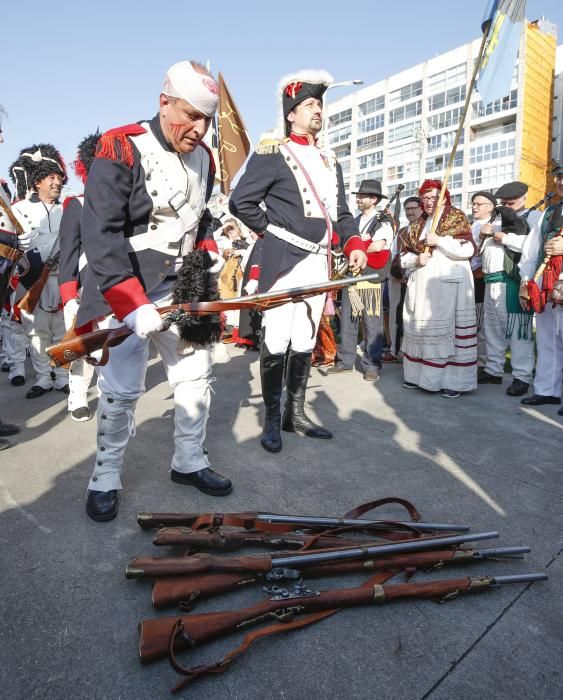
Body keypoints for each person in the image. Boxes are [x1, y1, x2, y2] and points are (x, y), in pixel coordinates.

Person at [76, 60, 231, 522]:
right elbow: (100, 233)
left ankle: (189, 462)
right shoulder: (121, 147)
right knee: (121, 389)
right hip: (127, 288)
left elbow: (199, 219)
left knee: (195, 377)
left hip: (184, 286)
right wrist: (131, 303)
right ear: (164, 103)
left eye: (207, 119)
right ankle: (104, 475)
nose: (199, 129)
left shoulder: (204, 157)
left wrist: (208, 247)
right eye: (191, 115)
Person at [229, 69, 367, 452]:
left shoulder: (329, 159)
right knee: (277, 338)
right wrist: (271, 232)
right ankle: (271, 420)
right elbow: (240, 202)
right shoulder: (274, 152)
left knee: (305, 338)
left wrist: (353, 242)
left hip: (318, 261)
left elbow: (340, 212)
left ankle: (296, 414)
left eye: (319, 104)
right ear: (291, 113)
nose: (317, 110)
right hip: (282, 261)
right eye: (309, 104)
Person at [400, 180, 476, 398]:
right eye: (425, 197)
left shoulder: (456, 216)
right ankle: (417, 377)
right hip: (422, 286)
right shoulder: (417, 224)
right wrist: (416, 259)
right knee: (419, 329)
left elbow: (467, 249)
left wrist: (439, 240)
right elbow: (402, 257)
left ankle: (454, 382)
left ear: (444, 197)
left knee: (449, 332)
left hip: (449, 286)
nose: (429, 201)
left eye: (433, 196)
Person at [10, 144, 69, 398]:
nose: (57, 183)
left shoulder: (69, 208)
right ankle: (43, 378)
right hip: (31, 280)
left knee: (63, 332)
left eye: (59, 178)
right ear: (37, 182)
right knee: (36, 334)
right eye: (51, 178)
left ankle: (63, 377)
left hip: (61, 279)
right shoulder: (18, 209)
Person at [327, 179, 393, 381]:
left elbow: (378, 246)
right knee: (348, 320)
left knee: (372, 323)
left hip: (371, 277)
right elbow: (340, 246)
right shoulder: (353, 222)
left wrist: (357, 244)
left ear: (373, 199)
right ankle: (345, 361)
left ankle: (372, 365)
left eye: (363, 196)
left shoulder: (384, 221)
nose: (358, 198)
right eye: (358, 195)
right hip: (352, 276)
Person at [477, 181, 535, 396]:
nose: (507, 206)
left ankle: (522, 375)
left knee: (517, 329)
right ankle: (493, 369)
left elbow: (532, 247)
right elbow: (481, 251)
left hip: (512, 280)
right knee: (492, 329)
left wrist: (507, 238)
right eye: (504, 203)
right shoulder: (498, 219)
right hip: (490, 280)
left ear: (523, 198)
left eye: (511, 202)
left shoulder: (533, 217)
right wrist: (484, 234)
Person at [58, 132, 100, 421]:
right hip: (85, 289)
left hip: (116, 288)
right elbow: (69, 253)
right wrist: (69, 296)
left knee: (114, 348)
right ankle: (78, 396)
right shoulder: (77, 204)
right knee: (81, 348)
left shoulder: (127, 204)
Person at [519, 166, 563, 412]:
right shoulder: (549, 212)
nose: (561, 182)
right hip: (546, 283)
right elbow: (531, 249)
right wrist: (527, 281)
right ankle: (547, 390)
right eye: (559, 177)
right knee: (547, 339)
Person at [469, 191, 497, 370]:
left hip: (480, 278)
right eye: (473, 203)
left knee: (479, 323)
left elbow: (479, 255)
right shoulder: (469, 225)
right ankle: (470, 359)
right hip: (465, 277)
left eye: (479, 204)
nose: (474, 207)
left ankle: (482, 363)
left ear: (490, 206)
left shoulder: (494, 225)